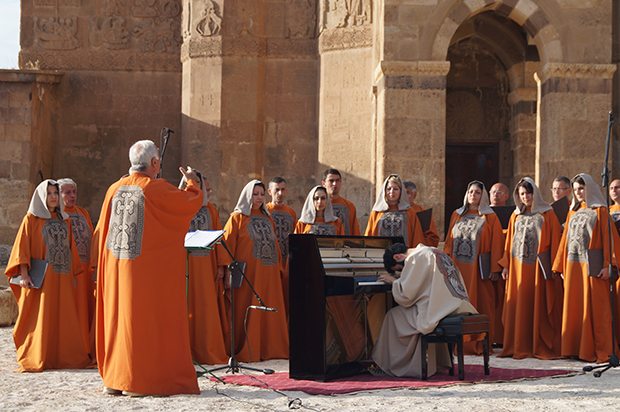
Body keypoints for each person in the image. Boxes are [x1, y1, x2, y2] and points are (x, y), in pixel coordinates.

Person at [95, 140, 203, 396]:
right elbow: (190, 202)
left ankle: (114, 379)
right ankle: (137, 382)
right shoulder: (154, 188)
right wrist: (191, 181)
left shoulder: (113, 189)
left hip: (114, 266)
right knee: (140, 322)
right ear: (154, 163)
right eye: (159, 163)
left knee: (118, 320)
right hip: (142, 273)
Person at [5, 179, 91, 371]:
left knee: (62, 317)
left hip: (62, 279)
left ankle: (61, 356)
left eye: (55, 193)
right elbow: (22, 248)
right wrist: (25, 274)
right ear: (42, 195)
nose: (53, 197)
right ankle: (38, 353)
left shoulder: (64, 220)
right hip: (41, 279)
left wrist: (74, 274)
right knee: (41, 316)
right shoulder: (31, 219)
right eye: (50, 193)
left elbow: (71, 249)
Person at [372, 243, 477, 377]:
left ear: (398, 256)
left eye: (400, 268)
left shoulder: (416, 257)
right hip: (457, 304)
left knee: (392, 316)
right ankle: (436, 363)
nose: (403, 271)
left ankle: (390, 366)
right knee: (405, 314)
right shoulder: (435, 251)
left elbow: (406, 296)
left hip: (439, 308)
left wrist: (393, 281)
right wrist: (402, 279)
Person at [552, 173, 620, 363]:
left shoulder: (601, 211)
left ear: (589, 188)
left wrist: (609, 264)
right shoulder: (572, 211)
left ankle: (600, 348)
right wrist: (561, 266)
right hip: (574, 267)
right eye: (575, 190)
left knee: (597, 308)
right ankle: (575, 348)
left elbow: (610, 241)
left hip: (593, 267)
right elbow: (565, 240)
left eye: (581, 188)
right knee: (575, 306)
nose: (578, 192)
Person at [218, 179, 289, 362]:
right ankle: (250, 350)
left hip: (269, 275)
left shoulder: (268, 218)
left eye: (261, 194)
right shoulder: (237, 218)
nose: (258, 198)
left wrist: (279, 269)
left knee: (270, 311)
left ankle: (271, 349)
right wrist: (226, 271)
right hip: (248, 276)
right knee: (248, 312)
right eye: (255, 194)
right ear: (247, 195)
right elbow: (225, 245)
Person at [498, 177, 563, 359]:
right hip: (517, 269)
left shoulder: (547, 214)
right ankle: (518, 344)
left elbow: (556, 242)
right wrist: (505, 266)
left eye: (529, 193)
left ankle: (537, 344)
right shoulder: (515, 215)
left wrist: (553, 267)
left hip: (537, 269)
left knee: (537, 305)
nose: (526, 197)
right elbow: (509, 243)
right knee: (519, 306)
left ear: (535, 193)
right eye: (522, 194)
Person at [444, 181, 504, 355]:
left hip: (478, 271)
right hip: (459, 269)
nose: (473, 195)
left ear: (482, 196)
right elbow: (449, 241)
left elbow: (497, 243)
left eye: (477, 192)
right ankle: (459, 342)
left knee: (481, 304)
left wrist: (494, 268)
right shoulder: (457, 215)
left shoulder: (490, 217)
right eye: (470, 191)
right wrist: (446, 264)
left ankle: (479, 343)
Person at [183, 172, 228, 365]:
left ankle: (207, 351)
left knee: (206, 309)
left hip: (207, 268)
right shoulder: (180, 208)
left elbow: (219, 239)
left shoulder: (211, 210)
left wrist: (221, 266)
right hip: (185, 268)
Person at [58, 178, 96, 357]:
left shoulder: (83, 213)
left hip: (85, 272)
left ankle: (85, 347)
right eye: (67, 192)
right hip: (67, 273)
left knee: (85, 310)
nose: (72, 196)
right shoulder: (56, 215)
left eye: (74, 192)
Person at [365, 175, 425, 248]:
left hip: (404, 255)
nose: (391, 192)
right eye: (389, 189)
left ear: (401, 192)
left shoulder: (409, 212)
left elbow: (417, 237)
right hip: (379, 255)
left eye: (395, 189)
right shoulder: (377, 212)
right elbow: (369, 237)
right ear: (384, 191)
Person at [266, 176, 297, 307]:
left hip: (286, 262)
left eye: (283, 190)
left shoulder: (291, 213)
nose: (280, 193)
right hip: (270, 262)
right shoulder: (265, 211)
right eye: (277, 190)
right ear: (269, 192)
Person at [322, 168, 360, 235]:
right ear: (323, 183)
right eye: (331, 181)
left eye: (337, 180)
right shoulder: (318, 205)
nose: (335, 184)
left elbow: (355, 233)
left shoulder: (349, 206)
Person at [403, 180, 440, 247]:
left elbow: (433, 238)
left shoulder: (421, 211)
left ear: (414, 195)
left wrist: (419, 241)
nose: (404, 196)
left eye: (407, 193)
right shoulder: (393, 211)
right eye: (402, 193)